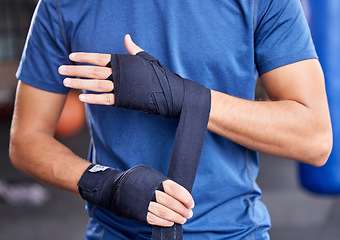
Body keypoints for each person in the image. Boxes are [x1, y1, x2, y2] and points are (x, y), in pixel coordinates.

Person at [9, 0, 332, 239]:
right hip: (113, 232)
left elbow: (314, 138)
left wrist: (185, 98)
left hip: (231, 232)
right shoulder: (64, 5)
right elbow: (26, 140)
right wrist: (109, 186)